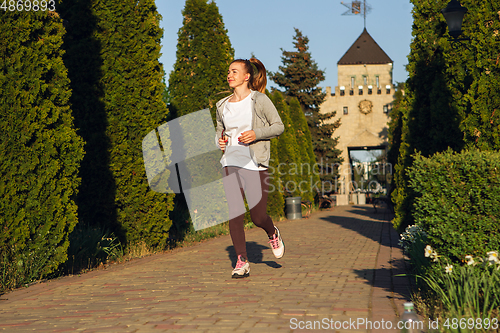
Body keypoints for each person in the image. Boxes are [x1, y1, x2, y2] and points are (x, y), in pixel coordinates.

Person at [215, 58, 285, 278]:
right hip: (230, 162)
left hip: (254, 162)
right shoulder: (222, 105)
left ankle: (272, 231)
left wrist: (257, 134)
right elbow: (220, 130)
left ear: (247, 76)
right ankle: (242, 261)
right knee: (235, 212)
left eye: (234, 71)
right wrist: (220, 141)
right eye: (228, 71)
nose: (230, 75)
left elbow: (278, 126)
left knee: (258, 216)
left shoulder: (259, 100)